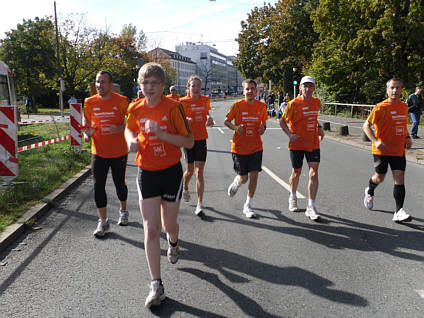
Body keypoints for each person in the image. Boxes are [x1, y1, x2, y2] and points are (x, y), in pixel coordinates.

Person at [125, 62, 193, 307]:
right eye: (145, 83)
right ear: (140, 85)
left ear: (163, 85)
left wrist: (164, 135)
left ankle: (174, 243)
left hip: (171, 173)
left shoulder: (174, 107)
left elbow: (189, 141)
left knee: (168, 225)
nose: (149, 87)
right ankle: (156, 284)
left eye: (154, 83)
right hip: (147, 173)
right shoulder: (135, 108)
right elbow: (129, 130)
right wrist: (131, 141)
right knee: (151, 229)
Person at [83, 70, 130, 237]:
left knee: (119, 185)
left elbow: (133, 121)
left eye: (103, 82)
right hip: (99, 151)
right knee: (98, 186)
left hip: (118, 152)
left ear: (111, 85)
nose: (99, 85)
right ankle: (103, 222)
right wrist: (86, 134)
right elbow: (87, 122)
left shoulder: (122, 101)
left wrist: (120, 127)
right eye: (97, 82)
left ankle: (123, 211)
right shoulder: (89, 102)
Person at [363, 78, 412, 223]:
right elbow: (366, 126)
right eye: (392, 88)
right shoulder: (380, 107)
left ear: (401, 90)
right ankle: (370, 190)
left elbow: (403, 125)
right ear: (387, 90)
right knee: (380, 177)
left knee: (400, 179)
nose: (395, 91)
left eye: (397, 88)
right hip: (381, 151)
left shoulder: (404, 106)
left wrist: (408, 137)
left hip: (398, 150)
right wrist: (375, 141)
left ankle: (398, 211)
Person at [279, 76, 324, 221]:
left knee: (313, 173)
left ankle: (311, 206)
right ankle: (292, 195)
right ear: (300, 88)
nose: (308, 89)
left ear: (314, 88)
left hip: (313, 143)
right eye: (305, 86)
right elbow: (282, 122)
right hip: (297, 144)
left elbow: (313, 117)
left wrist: (319, 128)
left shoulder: (317, 102)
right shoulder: (293, 104)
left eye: (310, 86)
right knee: (296, 172)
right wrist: (290, 134)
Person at [224, 79, 268, 218]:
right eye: (247, 89)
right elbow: (226, 121)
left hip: (256, 147)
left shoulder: (261, 106)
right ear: (243, 91)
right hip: (239, 148)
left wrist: (263, 128)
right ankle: (237, 181)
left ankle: (248, 205)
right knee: (244, 178)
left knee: (254, 176)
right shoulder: (237, 105)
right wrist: (236, 128)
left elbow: (263, 124)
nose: (249, 91)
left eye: (252, 88)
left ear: (256, 91)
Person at [179, 75, 214, 217]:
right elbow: (177, 120)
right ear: (188, 88)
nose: (196, 88)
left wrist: (209, 118)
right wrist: (185, 119)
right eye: (193, 86)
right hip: (188, 139)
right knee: (190, 171)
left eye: (198, 86)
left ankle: (200, 204)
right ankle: (185, 186)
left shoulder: (205, 100)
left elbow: (206, 113)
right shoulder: (182, 102)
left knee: (199, 172)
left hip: (201, 139)